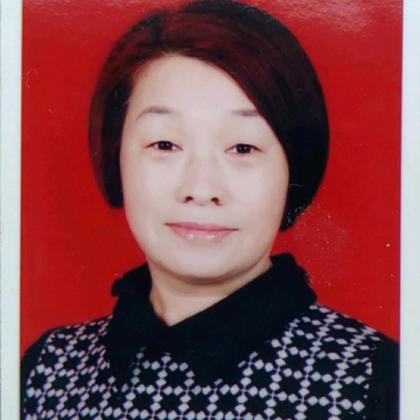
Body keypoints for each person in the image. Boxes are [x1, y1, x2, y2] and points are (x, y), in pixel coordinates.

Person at [21, 0, 398, 418]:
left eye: (243, 147)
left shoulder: (374, 379)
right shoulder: (49, 371)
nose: (201, 189)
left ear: (293, 169)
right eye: (165, 144)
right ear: (116, 159)